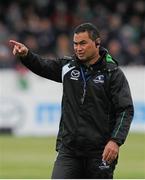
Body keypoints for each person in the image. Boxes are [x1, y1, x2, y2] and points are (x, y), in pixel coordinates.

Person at [9, 23, 134, 179]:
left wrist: (115, 141)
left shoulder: (113, 73)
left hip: (100, 152)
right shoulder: (68, 67)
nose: (78, 48)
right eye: (75, 44)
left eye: (83, 43)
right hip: (69, 151)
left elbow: (125, 110)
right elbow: (43, 66)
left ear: (97, 43)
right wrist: (26, 55)